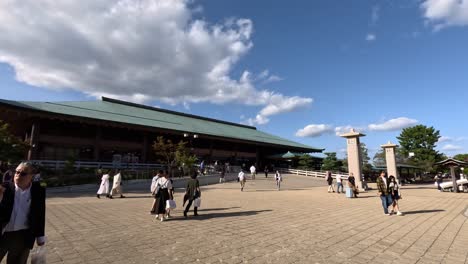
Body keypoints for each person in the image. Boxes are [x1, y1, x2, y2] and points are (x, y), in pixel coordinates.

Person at [0, 161, 46, 264]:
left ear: (32, 176)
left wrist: (40, 237)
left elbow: (40, 214)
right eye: (16, 172)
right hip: (3, 232)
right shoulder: (4, 188)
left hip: (23, 235)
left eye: (23, 173)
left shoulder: (38, 190)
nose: (18, 175)